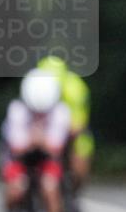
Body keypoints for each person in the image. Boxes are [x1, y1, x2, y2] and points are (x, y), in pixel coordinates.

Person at [0, 68, 71, 212]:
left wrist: (35, 140)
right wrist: (39, 140)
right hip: (19, 160)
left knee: (50, 187)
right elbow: (17, 148)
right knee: (15, 189)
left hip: (47, 159)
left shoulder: (60, 111)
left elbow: (56, 148)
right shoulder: (16, 110)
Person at [37, 55, 93, 191]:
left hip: (72, 132)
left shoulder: (75, 89)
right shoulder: (34, 87)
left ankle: (74, 191)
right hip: (44, 132)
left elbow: (79, 123)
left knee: (80, 159)